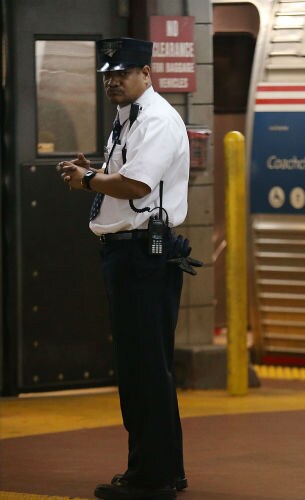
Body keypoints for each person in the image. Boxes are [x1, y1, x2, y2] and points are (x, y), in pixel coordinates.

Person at [57, 37, 197, 500]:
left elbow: (137, 182)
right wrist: (95, 170)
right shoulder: (129, 118)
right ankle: (158, 470)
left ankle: (152, 479)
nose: (114, 80)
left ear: (147, 74)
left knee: (144, 369)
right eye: (108, 74)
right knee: (142, 368)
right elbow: (131, 174)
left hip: (144, 257)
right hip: (131, 253)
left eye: (124, 72)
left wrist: (90, 180)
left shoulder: (155, 119)